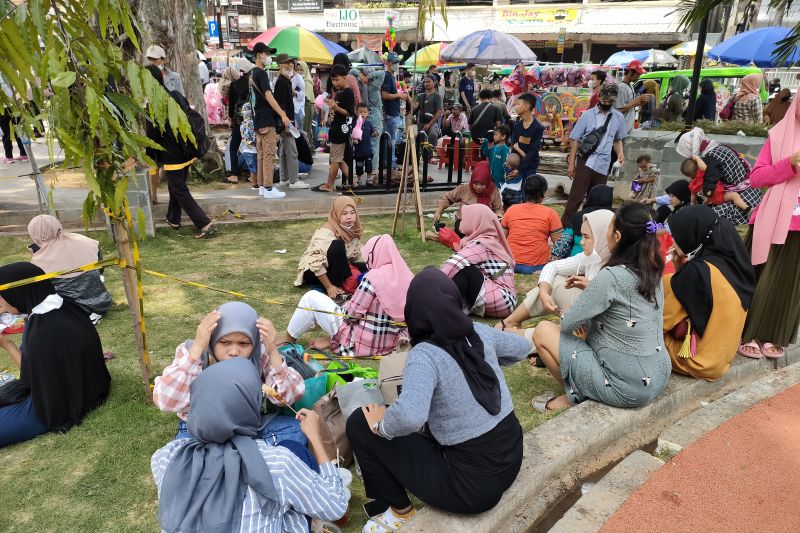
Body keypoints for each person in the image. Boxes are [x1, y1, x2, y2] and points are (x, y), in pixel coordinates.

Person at [346, 268, 530, 531]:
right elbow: (522, 348)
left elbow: (410, 416)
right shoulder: (477, 331)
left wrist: (381, 426)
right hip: (512, 458)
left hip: (471, 487)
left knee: (359, 422)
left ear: (414, 312)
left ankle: (399, 512)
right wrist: (483, 359)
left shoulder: (425, 354)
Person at [151, 358, 348, 533]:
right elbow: (335, 506)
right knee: (295, 462)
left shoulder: (166, 457)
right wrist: (316, 439)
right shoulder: (277, 463)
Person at [531, 202, 670, 412]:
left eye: (609, 227)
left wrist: (573, 308)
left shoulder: (611, 276)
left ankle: (574, 396)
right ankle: (582, 389)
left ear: (617, 237)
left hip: (627, 388)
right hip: (659, 374)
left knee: (543, 331)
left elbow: (569, 323)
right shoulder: (654, 270)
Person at [153, 301, 308, 445]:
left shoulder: (259, 355)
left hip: (248, 427)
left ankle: (230, 456)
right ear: (213, 336)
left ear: (254, 341)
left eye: (244, 343)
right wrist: (198, 348)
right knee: (180, 459)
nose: (234, 351)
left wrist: (273, 351)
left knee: (298, 430)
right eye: (225, 342)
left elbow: (288, 396)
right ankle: (244, 455)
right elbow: (166, 400)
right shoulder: (193, 352)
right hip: (198, 430)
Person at [0, 262, 111, 447]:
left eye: (2, 299)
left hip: (57, 404)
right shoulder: (64, 305)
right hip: (87, 388)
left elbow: (30, 382)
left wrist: (7, 345)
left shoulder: (42, 331)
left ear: (17, 292)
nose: (1, 307)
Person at [738, 96, 800, 360]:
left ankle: (775, 335)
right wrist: (789, 164)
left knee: (789, 285)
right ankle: (746, 332)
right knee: (761, 279)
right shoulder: (779, 135)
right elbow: (756, 178)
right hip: (773, 219)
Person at [663, 206, 755, 380]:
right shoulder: (733, 265)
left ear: (692, 234)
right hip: (720, 362)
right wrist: (679, 269)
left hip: (695, 361)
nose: (673, 242)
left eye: (676, 235)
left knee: (666, 283)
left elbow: (661, 323)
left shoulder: (696, 272)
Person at [285, 235, 412, 358]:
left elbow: (350, 315)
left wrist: (343, 303)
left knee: (310, 298)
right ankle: (331, 340)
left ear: (374, 254)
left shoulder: (373, 277)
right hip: (390, 344)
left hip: (361, 342)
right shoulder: (408, 277)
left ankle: (288, 339)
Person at [498, 209, 615, 338]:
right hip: (584, 317)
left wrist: (592, 288)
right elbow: (552, 266)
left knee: (550, 331)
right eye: (582, 236)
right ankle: (509, 324)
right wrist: (544, 293)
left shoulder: (618, 266)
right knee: (554, 280)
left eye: (586, 237)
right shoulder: (594, 257)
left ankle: (511, 334)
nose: (581, 242)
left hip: (599, 330)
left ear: (604, 236)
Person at [144, 66, 215, 239]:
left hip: (173, 154)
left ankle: (204, 223)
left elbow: (152, 137)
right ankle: (173, 218)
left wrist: (149, 157)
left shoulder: (153, 106)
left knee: (179, 189)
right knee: (175, 186)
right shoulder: (175, 95)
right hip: (186, 150)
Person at [27, 215, 112, 321]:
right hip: (101, 300)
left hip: (71, 310)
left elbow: (42, 291)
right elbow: (100, 268)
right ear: (57, 225)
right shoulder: (84, 240)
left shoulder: (38, 261)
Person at [563, 83, 626, 226]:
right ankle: (565, 227)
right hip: (586, 161)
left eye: (610, 102)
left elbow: (617, 139)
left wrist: (620, 153)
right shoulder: (587, 115)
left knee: (596, 200)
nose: (607, 103)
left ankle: (588, 227)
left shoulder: (618, 117)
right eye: (604, 101)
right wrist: (571, 164)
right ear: (599, 97)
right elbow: (575, 140)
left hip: (604, 163)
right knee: (576, 198)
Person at [440, 204, 517, 319]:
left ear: (475, 220)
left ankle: (445, 311)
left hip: (503, 300)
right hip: (505, 300)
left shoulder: (481, 243)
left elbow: (454, 264)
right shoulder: (489, 239)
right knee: (462, 271)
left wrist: (432, 283)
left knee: (463, 271)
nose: (461, 221)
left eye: (465, 218)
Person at [675, 127, 763, 226]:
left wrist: (705, 195)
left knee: (702, 221)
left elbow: (710, 189)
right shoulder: (718, 147)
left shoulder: (709, 159)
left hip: (742, 199)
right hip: (752, 193)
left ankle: (748, 211)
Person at [294, 197, 364, 298]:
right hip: (315, 272)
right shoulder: (326, 232)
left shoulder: (352, 229)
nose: (349, 217)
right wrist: (329, 287)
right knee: (337, 245)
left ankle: (341, 284)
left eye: (352, 213)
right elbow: (315, 262)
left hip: (333, 267)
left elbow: (356, 257)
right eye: (344, 213)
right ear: (336, 214)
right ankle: (335, 288)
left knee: (365, 267)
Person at [501, 175, 562, 274]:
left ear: (525, 191)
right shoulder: (550, 213)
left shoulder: (511, 210)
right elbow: (559, 245)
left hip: (511, 263)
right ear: (543, 194)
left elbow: (501, 240)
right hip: (538, 266)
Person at [251, 42, 289, 199]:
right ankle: (268, 188)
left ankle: (262, 186)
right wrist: (282, 114)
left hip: (258, 120)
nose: (269, 57)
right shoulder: (260, 73)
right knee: (268, 155)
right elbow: (268, 95)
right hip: (267, 119)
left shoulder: (251, 74)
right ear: (260, 54)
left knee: (261, 155)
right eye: (267, 54)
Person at [433, 161, 503, 236]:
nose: (479, 187)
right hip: (464, 224)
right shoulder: (464, 188)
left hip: (485, 225)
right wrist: (439, 211)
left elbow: (498, 209)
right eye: (476, 183)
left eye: (482, 184)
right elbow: (448, 197)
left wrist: (498, 216)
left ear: (488, 182)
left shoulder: (493, 191)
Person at [318, 64, 355, 193]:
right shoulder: (340, 92)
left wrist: (336, 108)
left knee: (335, 160)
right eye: (333, 80)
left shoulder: (348, 93)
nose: (335, 82)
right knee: (339, 160)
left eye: (337, 79)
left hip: (340, 130)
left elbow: (350, 112)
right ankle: (352, 182)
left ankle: (329, 185)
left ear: (345, 78)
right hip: (335, 129)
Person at [273, 53, 307, 191]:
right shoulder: (282, 81)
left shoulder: (284, 80)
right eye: (287, 63)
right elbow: (282, 104)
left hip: (285, 120)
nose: (290, 65)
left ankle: (284, 178)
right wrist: (287, 123)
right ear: (281, 65)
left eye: (291, 62)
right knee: (291, 151)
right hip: (286, 121)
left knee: (284, 150)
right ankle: (293, 180)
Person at [552, 184, 614, 260]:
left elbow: (564, 241)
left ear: (590, 197)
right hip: (607, 262)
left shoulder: (579, 216)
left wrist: (554, 259)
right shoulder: (616, 216)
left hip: (576, 261)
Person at [681, 156, 749, 211]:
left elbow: (693, 196)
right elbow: (704, 167)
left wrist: (693, 202)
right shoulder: (700, 175)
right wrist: (696, 158)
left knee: (706, 193)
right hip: (718, 196)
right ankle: (747, 209)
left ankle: (708, 200)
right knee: (734, 196)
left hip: (712, 197)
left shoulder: (692, 184)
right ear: (698, 168)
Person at [381, 53, 410, 170]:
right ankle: (391, 165)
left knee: (393, 140)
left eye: (397, 62)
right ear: (387, 63)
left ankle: (390, 163)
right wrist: (399, 95)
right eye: (394, 62)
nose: (396, 65)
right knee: (391, 141)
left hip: (394, 113)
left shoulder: (392, 77)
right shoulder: (387, 76)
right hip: (390, 114)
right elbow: (385, 95)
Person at [226, 63, 252, 185]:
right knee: (252, 148)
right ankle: (253, 175)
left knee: (233, 148)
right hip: (251, 121)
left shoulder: (234, 85)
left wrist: (231, 118)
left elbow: (231, 106)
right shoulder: (252, 85)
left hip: (238, 121)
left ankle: (234, 175)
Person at [511, 93, 544, 182]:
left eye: (518, 104)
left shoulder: (538, 128)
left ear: (526, 107)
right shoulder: (517, 125)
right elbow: (514, 145)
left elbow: (533, 152)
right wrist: (513, 165)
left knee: (527, 189)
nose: (515, 106)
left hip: (530, 165)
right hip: (517, 162)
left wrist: (519, 169)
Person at [615, 60, 652, 134]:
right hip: (621, 129)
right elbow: (620, 110)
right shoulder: (621, 87)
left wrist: (641, 101)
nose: (638, 77)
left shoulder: (630, 86)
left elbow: (631, 104)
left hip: (627, 128)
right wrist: (638, 99)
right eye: (637, 74)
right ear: (630, 72)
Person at [358, 66, 385, 170]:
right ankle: (373, 170)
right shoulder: (374, 85)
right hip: (375, 118)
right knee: (374, 145)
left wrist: (362, 76)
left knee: (363, 144)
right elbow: (382, 73)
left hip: (362, 118)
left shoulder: (360, 85)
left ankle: (361, 169)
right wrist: (369, 76)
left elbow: (352, 71)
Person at [0, 74, 26, 164]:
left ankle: (9, 157)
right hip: (15, 105)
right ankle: (24, 154)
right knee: (18, 131)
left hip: (3, 107)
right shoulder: (6, 73)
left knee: (6, 133)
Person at [413, 75, 443, 146]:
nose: (426, 83)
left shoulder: (437, 96)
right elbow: (414, 107)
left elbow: (439, 112)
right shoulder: (420, 96)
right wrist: (408, 95)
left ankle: (431, 153)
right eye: (425, 82)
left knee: (433, 135)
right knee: (418, 139)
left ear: (435, 82)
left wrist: (429, 124)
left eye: (428, 81)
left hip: (432, 122)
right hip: (421, 122)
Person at [480, 124, 511, 189]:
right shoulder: (495, 147)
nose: (494, 136)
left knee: (498, 196)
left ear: (503, 136)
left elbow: (507, 164)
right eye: (494, 134)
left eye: (496, 134)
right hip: (491, 178)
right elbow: (486, 152)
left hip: (500, 180)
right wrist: (485, 143)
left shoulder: (505, 149)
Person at [353, 103, 376, 187]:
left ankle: (368, 179)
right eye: (360, 112)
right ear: (356, 112)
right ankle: (359, 180)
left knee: (369, 165)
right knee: (359, 166)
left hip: (368, 150)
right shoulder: (355, 123)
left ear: (367, 113)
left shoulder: (368, 124)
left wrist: (375, 133)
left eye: (364, 112)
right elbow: (352, 134)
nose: (362, 114)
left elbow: (372, 133)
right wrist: (353, 140)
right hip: (359, 151)